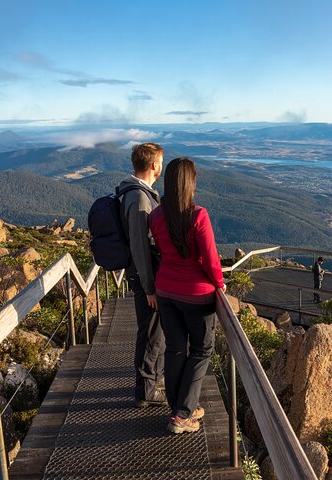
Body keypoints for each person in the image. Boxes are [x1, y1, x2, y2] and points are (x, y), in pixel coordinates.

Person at [148, 157, 226, 434]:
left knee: (175, 349)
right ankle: (182, 414)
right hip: (197, 296)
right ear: (189, 182)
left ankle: (180, 409)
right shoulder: (198, 215)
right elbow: (210, 259)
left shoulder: (156, 216)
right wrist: (219, 283)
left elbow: (161, 251)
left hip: (166, 292)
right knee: (201, 350)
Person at [119, 143, 166, 408]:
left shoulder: (137, 193)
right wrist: (149, 287)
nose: (161, 166)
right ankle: (147, 390)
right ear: (153, 165)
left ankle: (149, 384)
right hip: (145, 278)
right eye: (161, 162)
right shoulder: (138, 199)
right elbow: (139, 245)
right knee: (151, 334)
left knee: (153, 332)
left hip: (145, 276)